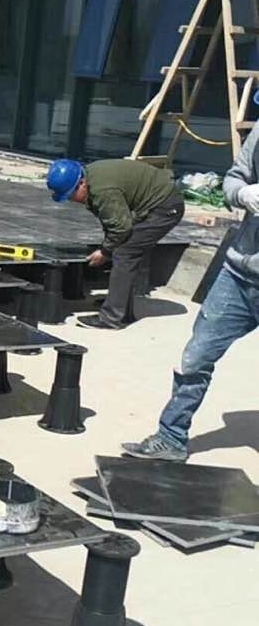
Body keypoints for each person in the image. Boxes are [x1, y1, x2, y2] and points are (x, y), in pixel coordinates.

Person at [122, 123, 259, 460]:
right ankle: (171, 437)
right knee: (196, 357)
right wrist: (242, 193)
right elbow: (233, 179)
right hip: (239, 274)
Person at [46, 156, 185, 329]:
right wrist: (109, 245)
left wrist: (105, 251)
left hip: (164, 207)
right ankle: (120, 307)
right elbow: (113, 221)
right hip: (156, 202)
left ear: (81, 183)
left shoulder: (102, 190)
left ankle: (111, 318)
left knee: (125, 253)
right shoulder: (93, 179)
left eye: (71, 195)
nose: (71, 200)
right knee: (123, 249)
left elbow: (121, 228)